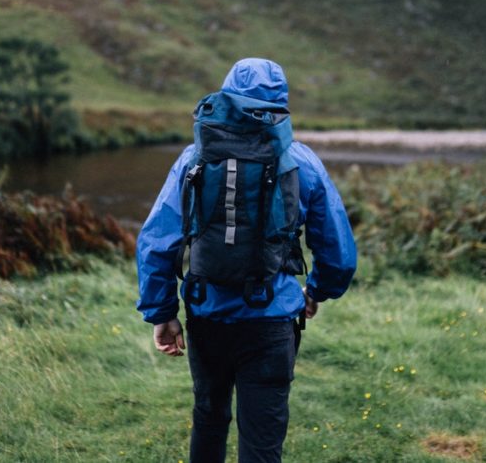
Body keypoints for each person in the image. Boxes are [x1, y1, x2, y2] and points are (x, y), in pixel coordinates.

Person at [136, 58, 357, 463]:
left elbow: (156, 240)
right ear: (281, 107)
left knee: (209, 417)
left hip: (206, 316)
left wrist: (161, 312)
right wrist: (318, 290)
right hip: (271, 323)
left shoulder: (192, 159)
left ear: (225, 99)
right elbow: (337, 250)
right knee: (262, 439)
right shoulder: (302, 162)